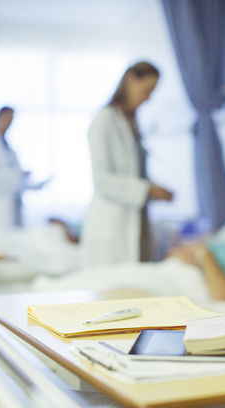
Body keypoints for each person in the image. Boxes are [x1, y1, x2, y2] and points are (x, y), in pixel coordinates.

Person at [82, 62, 173, 266]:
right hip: (111, 223)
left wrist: (154, 188)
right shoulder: (103, 121)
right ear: (130, 80)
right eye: (146, 90)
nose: (148, 98)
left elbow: (133, 173)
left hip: (135, 219)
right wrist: (148, 190)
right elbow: (102, 179)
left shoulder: (131, 123)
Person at [0, 106, 46, 231]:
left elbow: (19, 182)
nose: (10, 122)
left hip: (14, 209)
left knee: (14, 243)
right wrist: (18, 174)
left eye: (12, 119)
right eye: (7, 118)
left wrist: (38, 185)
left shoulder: (11, 150)